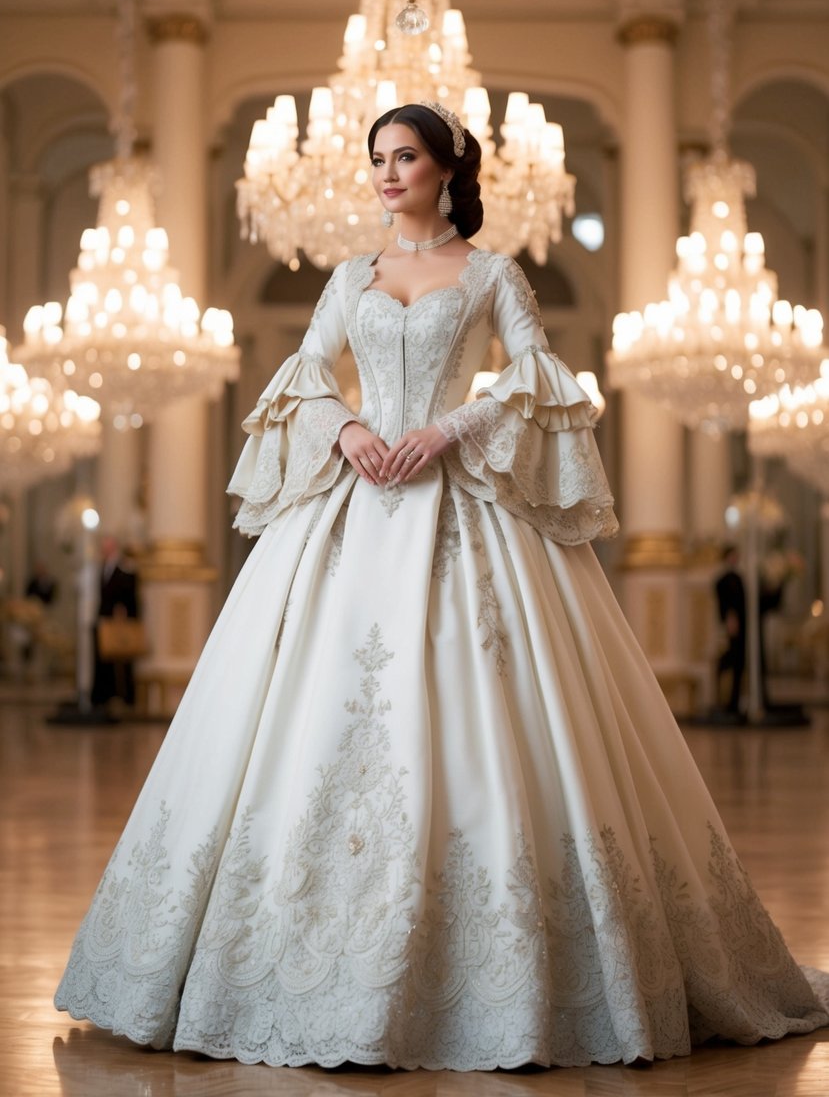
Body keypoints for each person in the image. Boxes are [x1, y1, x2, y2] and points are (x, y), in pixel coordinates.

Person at [55, 102, 828, 1069]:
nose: (385, 174)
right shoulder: (349, 277)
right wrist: (349, 431)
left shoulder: (491, 273)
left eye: (403, 157)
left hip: (460, 501)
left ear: (442, 168)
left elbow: (536, 375)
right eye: (375, 158)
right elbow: (303, 373)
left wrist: (446, 429)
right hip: (355, 496)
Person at [90, 535, 139, 709]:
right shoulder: (102, 567)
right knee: (103, 659)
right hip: (104, 618)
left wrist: (122, 610)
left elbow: (129, 592)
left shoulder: (125, 567)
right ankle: (103, 695)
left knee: (123, 660)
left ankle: (126, 697)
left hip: (118, 620)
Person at [714, 544, 746, 716]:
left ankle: (735, 701)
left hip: (742, 629)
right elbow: (725, 604)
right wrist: (729, 618)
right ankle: (725, 700)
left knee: (739, 664)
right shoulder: (723, 580)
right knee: (728, 661)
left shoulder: (739, 578)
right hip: (731, 629)